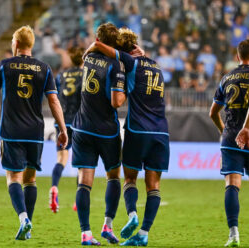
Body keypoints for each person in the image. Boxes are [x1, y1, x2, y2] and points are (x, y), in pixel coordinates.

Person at [86, 27, 170, 246]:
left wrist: (93, 46)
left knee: (130, 179)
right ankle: (143, 234)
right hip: (161, 132)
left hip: (138, 130)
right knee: (154, 186)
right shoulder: (157, 65)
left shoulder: (129, 62)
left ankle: (132, 214)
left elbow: (103, 48)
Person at [0, 25, 68, 241]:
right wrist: (63, 128)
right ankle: (28, 225)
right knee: (30, 180)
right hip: (34, 132)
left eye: (12, 41)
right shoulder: (44, 68)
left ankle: (23, 219)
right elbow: (54, 101)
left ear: (17, 44)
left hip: (12, 131)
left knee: (13, 177)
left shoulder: (5, 66)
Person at [71, 23, 126, 245]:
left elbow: (93, 49)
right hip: (106, 131)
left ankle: (85, 233)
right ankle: (108, 225)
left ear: (98, 39)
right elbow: (116, 101)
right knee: (113, 177)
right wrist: (125, 93)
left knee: (84, 182)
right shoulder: (116, 65)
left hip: (82, 128)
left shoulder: (87, 59)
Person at [209, 39, 249, 247]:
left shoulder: (226, 78)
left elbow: (213, 112)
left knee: (232, 186)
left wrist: (222, 129)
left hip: (231, 137)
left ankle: (233, 235)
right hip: (248, 135)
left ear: (237, 57)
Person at [49, 46, 84, 213]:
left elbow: (54, 97)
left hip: (61, 122)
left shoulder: (61, 75)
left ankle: (54, 187)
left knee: (61, 159)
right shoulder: (85, 75)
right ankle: (78, 200)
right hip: (79, 122)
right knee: (81, 162)